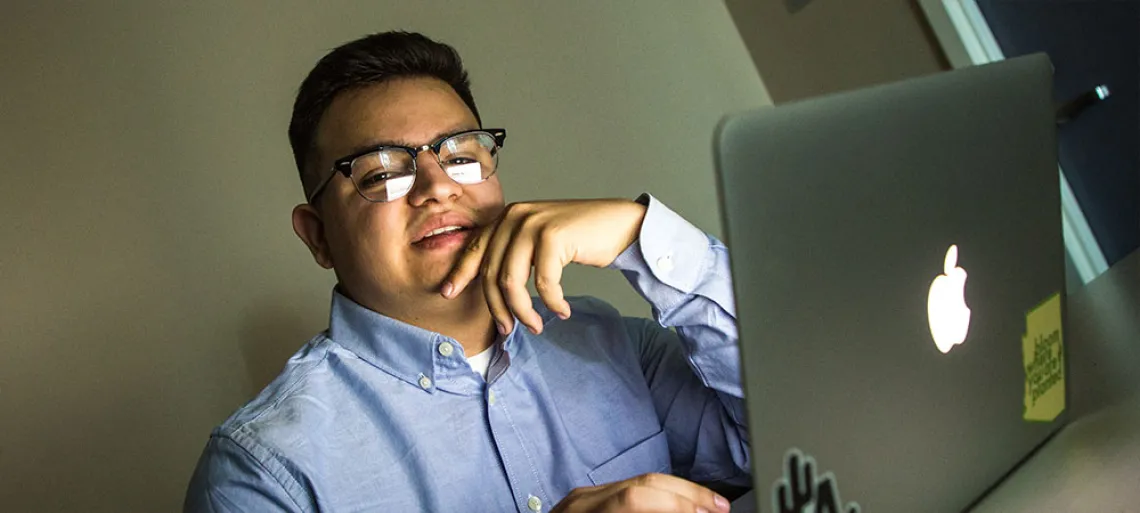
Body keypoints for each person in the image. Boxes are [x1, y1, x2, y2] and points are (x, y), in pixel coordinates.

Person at [184, 31, 749, 513]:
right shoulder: (264, 472)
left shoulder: (613, 344)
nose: (438, 187)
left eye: (460, 155)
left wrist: (641, 236)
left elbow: (789, 433)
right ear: (319, 235)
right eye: (382, 173)